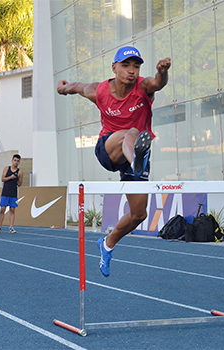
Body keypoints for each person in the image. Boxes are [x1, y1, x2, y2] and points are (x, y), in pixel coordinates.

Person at [57, 46, 171, 277]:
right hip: (109, 149)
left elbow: (158, 83)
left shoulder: (143, 87)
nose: (132, 71)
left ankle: (107, 243)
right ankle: (137, 161)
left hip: (135, 153)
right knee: (130, 132)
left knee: (139, 215)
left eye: (136, 66)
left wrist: (163, 71)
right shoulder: (100, 91)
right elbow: (77, 87)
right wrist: (64, 88)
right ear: (114, 68)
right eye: (126, 65)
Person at [0, 154, 23, 234]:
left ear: (19, 162)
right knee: (2, 209)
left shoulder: (20, 172)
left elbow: (20, 184)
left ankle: (11, 227)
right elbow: (2, 179)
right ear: (12, 160)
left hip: (14, 193)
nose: (16, 162)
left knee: (12, 210)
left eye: (17, 161)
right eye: (15, 160)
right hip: (5, 192)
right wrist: (11, 177)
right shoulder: (7, 168)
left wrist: (18, 179)